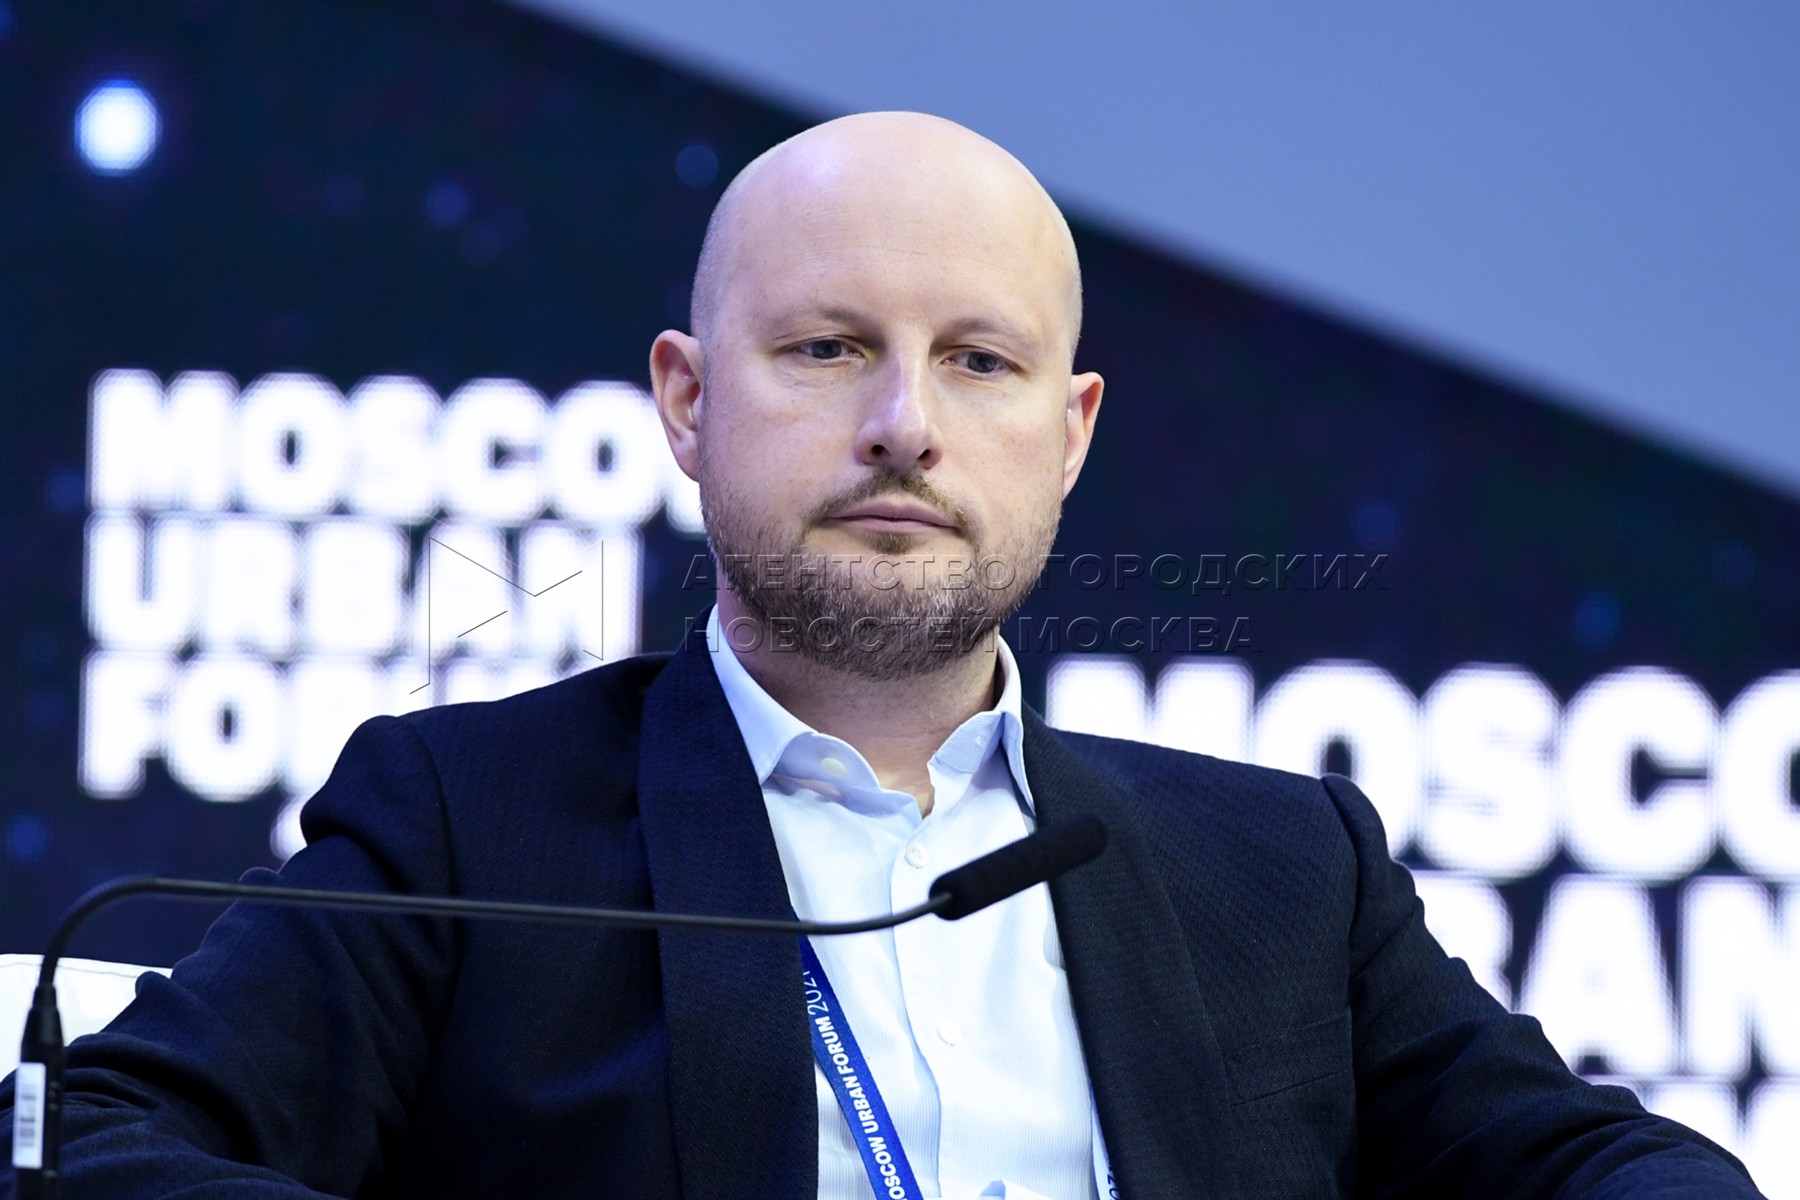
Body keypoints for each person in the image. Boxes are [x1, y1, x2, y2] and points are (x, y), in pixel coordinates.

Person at [0, 112, 1765, 1199]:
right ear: (688, 403)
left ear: (1070, 433)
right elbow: (103, 1136)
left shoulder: (1283, 871)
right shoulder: (469, 825)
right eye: (831, 347)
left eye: (979, 362)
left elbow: (1605, 1165)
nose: (905, 425)